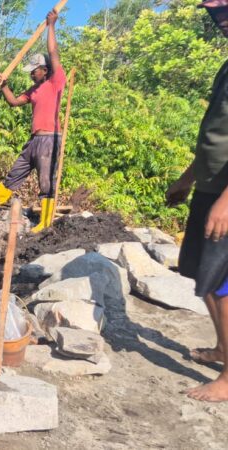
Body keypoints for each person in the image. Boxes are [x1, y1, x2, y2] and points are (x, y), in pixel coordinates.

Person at [165, 0, 228, 402]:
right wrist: (188, 179)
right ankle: (223, 347)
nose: (216, 15)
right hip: (209, 186)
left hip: (225, 195)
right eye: (212, 10)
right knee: (201, 275)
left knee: (222, 283)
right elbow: (215, 135)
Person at [0, 9, 66, 233]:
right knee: (17, 171)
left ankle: (45, 220)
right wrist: (4, 86)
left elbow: (53, 52)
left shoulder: (55, 82)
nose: (31, 74)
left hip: (50, 139)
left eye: (34, 71)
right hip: (35, 140)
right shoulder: (33, 90)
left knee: (46, 180)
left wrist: (51, 26)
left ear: (44, 70)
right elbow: (14, 102)